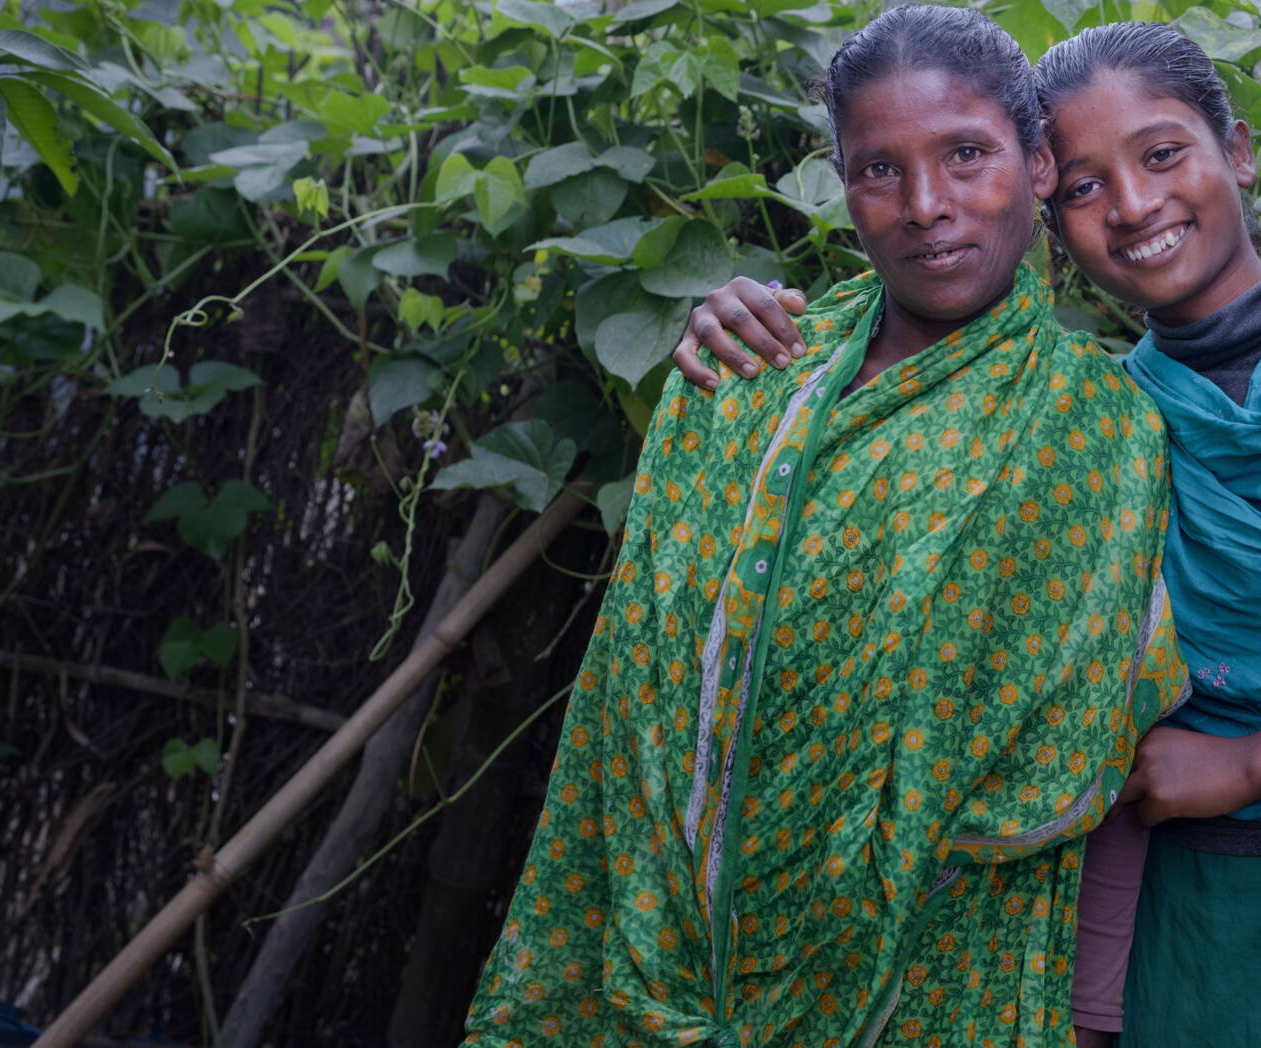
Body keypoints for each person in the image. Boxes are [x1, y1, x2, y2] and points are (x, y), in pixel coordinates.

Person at [669, 21, 1261, 1048]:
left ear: (1235, 150)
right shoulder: (1099, 431)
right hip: (1201, 944)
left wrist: (1255, 760)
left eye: (1161, 154)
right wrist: (753, 343)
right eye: (1084, 187)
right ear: (1049, 213)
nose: (1135, 204)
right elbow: (1055, 729)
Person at [460, 7, 1188, 1046]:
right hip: (654, 952)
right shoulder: (747, 375)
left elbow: (1068, 747)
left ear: (1036, 165)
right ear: (840, 184)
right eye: (878, 170)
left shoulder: (1096, 430)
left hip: (928, 974)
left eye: (967, 155)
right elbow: (637, 698)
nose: (927, 205)